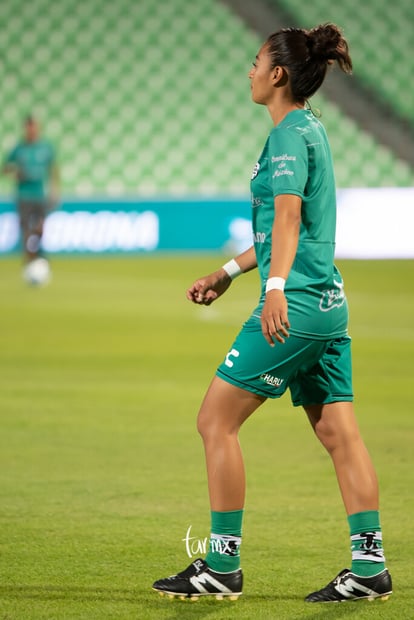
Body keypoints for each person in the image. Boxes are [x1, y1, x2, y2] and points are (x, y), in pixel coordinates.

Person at [152, 23, 392, 604]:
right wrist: (228, 273)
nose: (250, 69)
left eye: (256, 60)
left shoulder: (287, 136)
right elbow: (291, 229)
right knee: (340, 433)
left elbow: (286, 219)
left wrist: (276, 289)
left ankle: (221, 565)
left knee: (216, 421)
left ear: (278, 73)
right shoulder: (310, 128)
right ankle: (369, 567)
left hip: (298, 305)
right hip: (328, 305)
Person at [2, 115, 59, 271]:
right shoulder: (19, 148)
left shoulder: (45, 147)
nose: (31, 130)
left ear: (38, 128)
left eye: (34, 127)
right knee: (26, 229)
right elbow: (5, 168)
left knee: (40, 228)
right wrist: (15, 172)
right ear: (25, 129)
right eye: (29, 127)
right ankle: (30, 262)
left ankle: (36, 252)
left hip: (40, 194)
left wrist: (55, 191)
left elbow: (53, 169)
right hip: (23, 195)